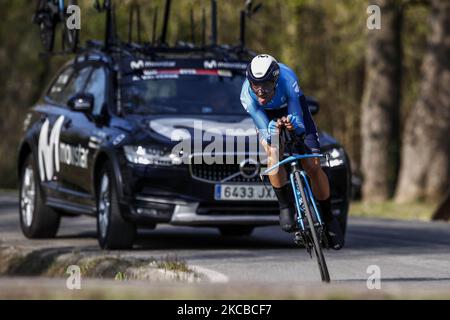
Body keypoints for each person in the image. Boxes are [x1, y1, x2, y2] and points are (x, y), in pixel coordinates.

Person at [240, 54, 344, 250]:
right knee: (273, 154)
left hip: (292, 107)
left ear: (276, 80)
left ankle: (329, 219)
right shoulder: (246, 94)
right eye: (256, 85)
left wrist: (293, 125)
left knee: (312, 164)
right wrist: (274, 132)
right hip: (266, 117)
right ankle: (285, 206)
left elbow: (298, 119)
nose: (261, 91)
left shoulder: (288, 79)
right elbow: (264, 128)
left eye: (267, 85)